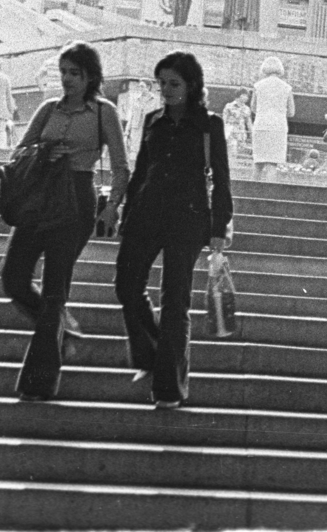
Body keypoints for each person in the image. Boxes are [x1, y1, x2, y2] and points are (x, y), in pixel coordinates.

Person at [1, 41, 128, 402]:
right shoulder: (47, 108)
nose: (67, 80)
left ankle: (37, 384)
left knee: (56, 289)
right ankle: (63, 327)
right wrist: (43, 151)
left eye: (75, 73)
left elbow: (121, 166)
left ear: (90, 76)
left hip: (76, 200)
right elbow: (18, 152)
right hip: (40, 195)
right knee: (12, 277)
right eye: (64, 72)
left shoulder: (104, 113)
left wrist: (112, 207)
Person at [108, 52, 230, 409]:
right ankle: (155, 353)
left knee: (175, 301)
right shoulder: (151, 121)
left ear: (191, 85)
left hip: (188, 219)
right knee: (126, 285)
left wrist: (219, 227)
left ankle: (168, 387)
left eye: (173, 84)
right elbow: (141, 170)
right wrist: (127, 215)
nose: (165, 90)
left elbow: (221, 179)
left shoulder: (210, 124)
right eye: (161, 83)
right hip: (146, 213)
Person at [250, 57, 294, 179]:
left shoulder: (257, 86)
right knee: (272, 163)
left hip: (260, 126)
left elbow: (253, 108)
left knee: (258, 162)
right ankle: (269, 193)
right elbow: (291, 112)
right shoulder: (286, 88)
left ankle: (252, 192)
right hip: (278, 127)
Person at [221, 91, 251, 162]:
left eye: (247, 96)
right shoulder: (229, 106)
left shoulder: (247, 108)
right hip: (231, 134)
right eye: (244, 95)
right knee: (232, 153)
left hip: (242, 135)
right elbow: (224, 120)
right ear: (239, 96)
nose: (246, 97)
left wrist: (251, 133)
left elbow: (248, 122)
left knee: (241, 155)